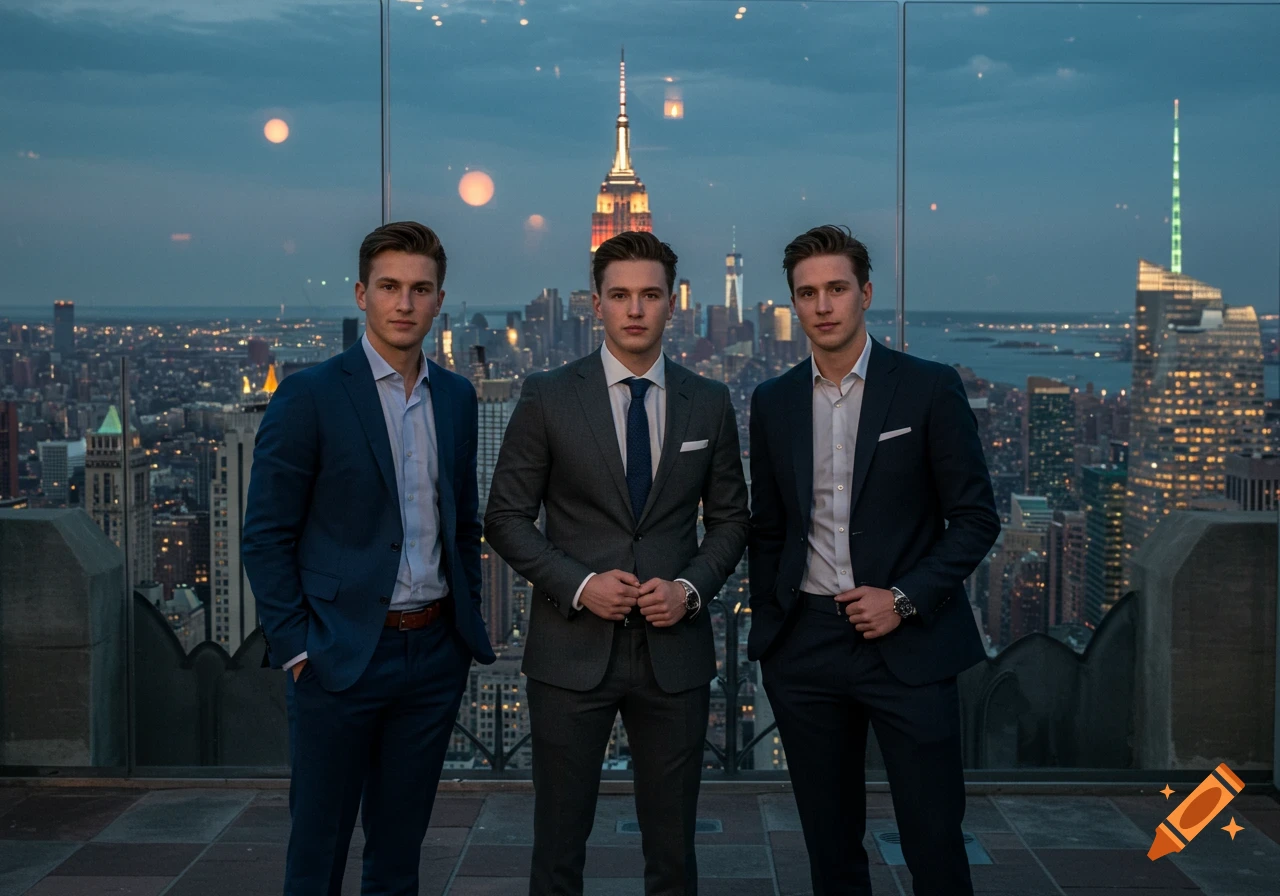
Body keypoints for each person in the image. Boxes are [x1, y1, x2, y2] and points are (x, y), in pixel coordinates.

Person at [484, 231, 749, 896]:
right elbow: (505, 518)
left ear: (672, 306)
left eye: (650, 296)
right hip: (571, 653)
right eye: (620, 295)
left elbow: (732, 520)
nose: (636, 309)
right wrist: (580, 586)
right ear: (595, 305)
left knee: (673, 856)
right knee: (558, 851)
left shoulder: (708, 401)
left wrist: (689, 589)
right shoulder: (547, 395)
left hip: (674, 654)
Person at [243, 221, 495, 896]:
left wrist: (460, 630)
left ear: (440, 300)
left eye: (419, 289)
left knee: (399, 852)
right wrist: (298, 648)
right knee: (317, 851)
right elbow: (265, 534)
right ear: (361, 294)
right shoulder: (311, 395)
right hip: (337, 658)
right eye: (389, 287)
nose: (404, 303)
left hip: (432, 653)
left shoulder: (457, 397)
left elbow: (462, 520)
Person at [747, 225, 1000, 895]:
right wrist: (774, 630)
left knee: (934, 838)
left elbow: (975, 519)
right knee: (830, 847)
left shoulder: (927, 388)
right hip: (805, 646)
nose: (822, 306)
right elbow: (768, 527)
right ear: (793, 305)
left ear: (866, 293)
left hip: (908, 643)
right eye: (807, 293)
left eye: (836, 289)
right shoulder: (772, 403)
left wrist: (904, 598)